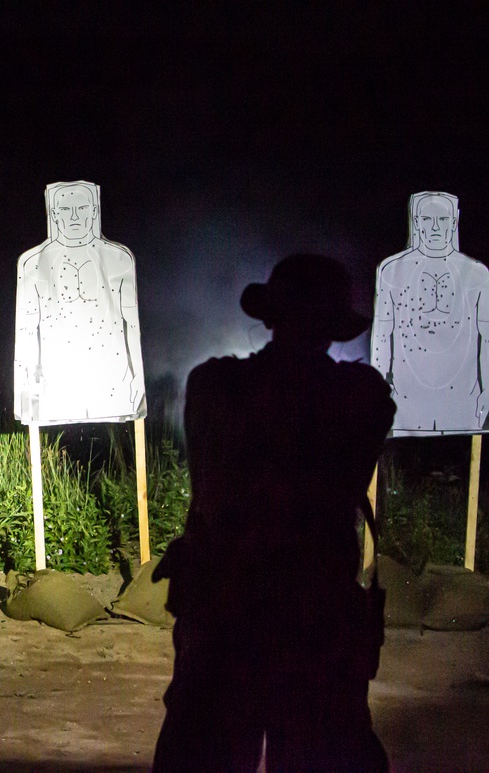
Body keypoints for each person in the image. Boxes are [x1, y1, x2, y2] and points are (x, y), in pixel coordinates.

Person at [152, 254, 395, 772]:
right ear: (333, 327)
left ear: (270, 317)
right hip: (315, 624)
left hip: (227, 620)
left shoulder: (214, 386)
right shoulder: (360, 397)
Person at [14, 180, 145, 425]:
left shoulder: (119, 259)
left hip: (112, 381)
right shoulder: (32, 264)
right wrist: (27, 391)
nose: (74, 216)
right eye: (65, 209)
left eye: (82, 208)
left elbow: (133, 325)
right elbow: (26, 330)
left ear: (94, 211)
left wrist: (137, 378)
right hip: (59, 383)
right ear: (54, 213)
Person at [372, 191, 489, 435]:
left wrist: (487, 388)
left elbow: (486, 337)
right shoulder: (391, 271)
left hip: (462, 397)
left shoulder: (477, 275)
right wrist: (380, 387)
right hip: (407, 398)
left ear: (454, 222)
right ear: (416, 221)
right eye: (427, 219)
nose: (435, 227)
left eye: (443, 220)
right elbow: (383, 336)